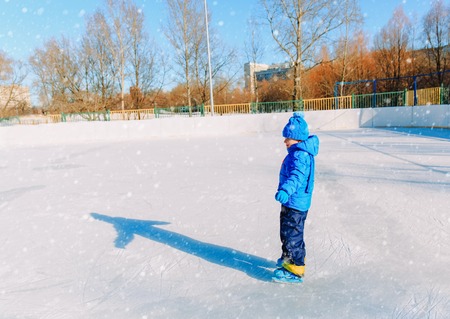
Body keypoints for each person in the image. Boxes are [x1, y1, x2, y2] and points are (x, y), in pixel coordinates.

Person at [273, 112, 319, 282]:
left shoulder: (300, 155)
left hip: (295, 202)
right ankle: (289, 259)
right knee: (287, 232)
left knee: (292, 235)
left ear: (298, 139)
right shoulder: (297, 152)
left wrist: (285, 190)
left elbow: (297, 177)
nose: (285, 141)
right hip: (292, 201)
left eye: (288, 138)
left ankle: (295, 270)